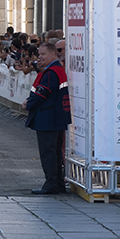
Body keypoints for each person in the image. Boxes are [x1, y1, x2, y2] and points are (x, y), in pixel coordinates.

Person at [24, 41, 71, 194]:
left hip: (48, 118)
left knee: (48, 152)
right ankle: (57, 183)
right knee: (55, 152)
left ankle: (51, 183)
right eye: (39, 54)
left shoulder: (51, 72)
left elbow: (41, 93)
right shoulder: (58, 70)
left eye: (43, 54)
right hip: (56, 117)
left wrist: (28, 104)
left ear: (52, 54)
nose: (40, 57)